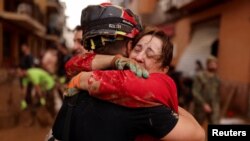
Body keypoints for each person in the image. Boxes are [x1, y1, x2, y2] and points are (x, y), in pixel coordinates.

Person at [52, 3, 205, 141]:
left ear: (165, 69)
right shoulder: (139, 105)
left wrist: (82, 79)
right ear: (129, 47)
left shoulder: (154, 87)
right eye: (138, 49)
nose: (139, 57)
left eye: (150, 54)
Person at [192, 56, 221, 126]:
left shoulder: (216, 79)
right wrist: (203, 104)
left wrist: (217, 106)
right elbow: (195, 92)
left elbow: (217, 94)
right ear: (207, 64)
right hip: (201, 106)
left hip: (214, 106)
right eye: (211, 63)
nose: (213, 65)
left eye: (215, 63)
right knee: (197, 126)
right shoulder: (200, 76)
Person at [19, 43, 34, 108]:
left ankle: (28, 102)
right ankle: (26, 102)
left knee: (28, 89)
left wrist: (27, 73)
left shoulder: (29, 56)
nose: (22, 49)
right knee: (24, 88)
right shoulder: (23, 56)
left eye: (23, 48)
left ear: (27, 48)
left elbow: (31, 67)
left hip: (27, 75)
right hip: (22, 74)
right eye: (22, 48)